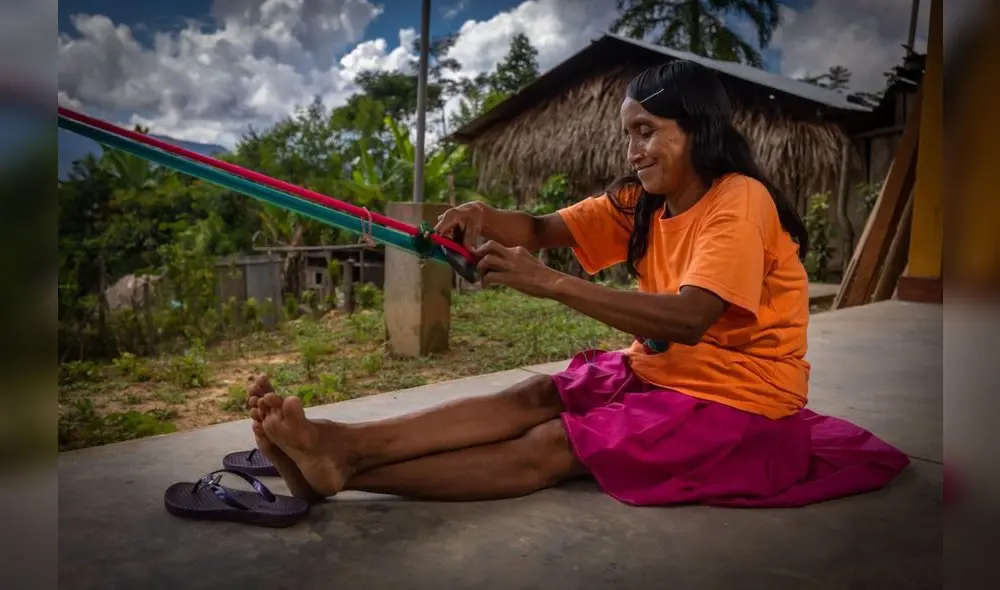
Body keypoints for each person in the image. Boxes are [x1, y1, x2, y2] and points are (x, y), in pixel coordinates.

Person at [247, 61, 909, 507]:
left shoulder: (738, 202)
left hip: (740, 398)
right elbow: (538, 228)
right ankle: (341, 449)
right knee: (536, 393)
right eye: (629, 136)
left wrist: (551, 286)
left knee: (555, 447)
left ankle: (345, 465)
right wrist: (483, 216)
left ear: (699, 133)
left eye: (648, 133)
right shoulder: (643, 200)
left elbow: (688, 319)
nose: (635, 151)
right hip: (668, 373)